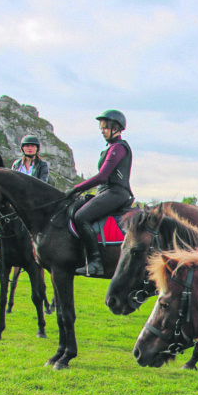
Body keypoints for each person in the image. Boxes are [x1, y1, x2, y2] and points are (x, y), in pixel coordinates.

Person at [65, 109, 134, 276]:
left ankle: (95, 263)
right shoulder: (110, 148)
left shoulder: (119, 148)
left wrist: (76, 188)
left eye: (105, 127)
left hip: (117, 193)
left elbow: (103, 176)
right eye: (101, 128)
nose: (102, 131)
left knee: (81, 217)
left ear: (116, 127)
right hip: (105, 192)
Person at [0, 135, 52, 264]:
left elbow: (41, 183)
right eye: (27, 146)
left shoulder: (42, 165)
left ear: (37, 149)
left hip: (33, 203)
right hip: (15, 204)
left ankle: (43, 250)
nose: (30, 148)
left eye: (32, 146)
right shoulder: (16, 164)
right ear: (23, 148)